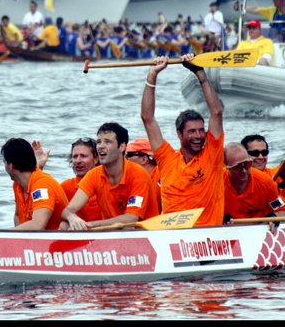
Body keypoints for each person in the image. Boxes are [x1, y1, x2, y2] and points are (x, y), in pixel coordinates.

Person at [141, 53, 226, 227]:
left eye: (201, 131)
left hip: (208, 238)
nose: (198, 136)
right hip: (173, 237)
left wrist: (200, 74)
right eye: (192, 131)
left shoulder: (212, 154)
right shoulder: (166, 158)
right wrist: (152, 75)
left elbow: (216, 112)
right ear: (179, 135)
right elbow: (147, 118)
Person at [60, 122, 158, 230]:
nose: (101, 146)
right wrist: (71, 217)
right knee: (65, 225)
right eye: (98, 142)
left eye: (107, 142)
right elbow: (68, 210)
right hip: (110, 234)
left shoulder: (138, 174)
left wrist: (89, 225)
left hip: (141, 234)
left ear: (122, 147)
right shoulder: (94, 174)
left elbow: (131, 218)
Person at [2, 137, 69, 230]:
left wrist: (1, 235)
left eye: (4, 162)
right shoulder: (18, 185)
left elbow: (38, 225)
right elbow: (17, 216)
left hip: (58, 241)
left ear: (10, 166)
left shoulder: (42, 186)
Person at [223, 142, 285, 223]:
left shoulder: (266, 183)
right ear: (226, 166)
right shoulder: (217, 182)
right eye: (237, 167)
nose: (243, 170)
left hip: (259, 230)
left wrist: (273, 218)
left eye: (247, 164)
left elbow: (282, 211)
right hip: (229, 231)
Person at [58, 137, 102, 223]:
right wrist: (39, 167)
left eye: (83, 156)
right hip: (76, 233)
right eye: (75, 156)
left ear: (96, 159)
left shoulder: (108, 183)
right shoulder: (66, 187)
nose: (78, 161)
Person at [125, 137, 161, 212]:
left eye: (129, 155)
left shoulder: (161, 177)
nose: (125, 158)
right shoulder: (132, 178)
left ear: (144, 159)